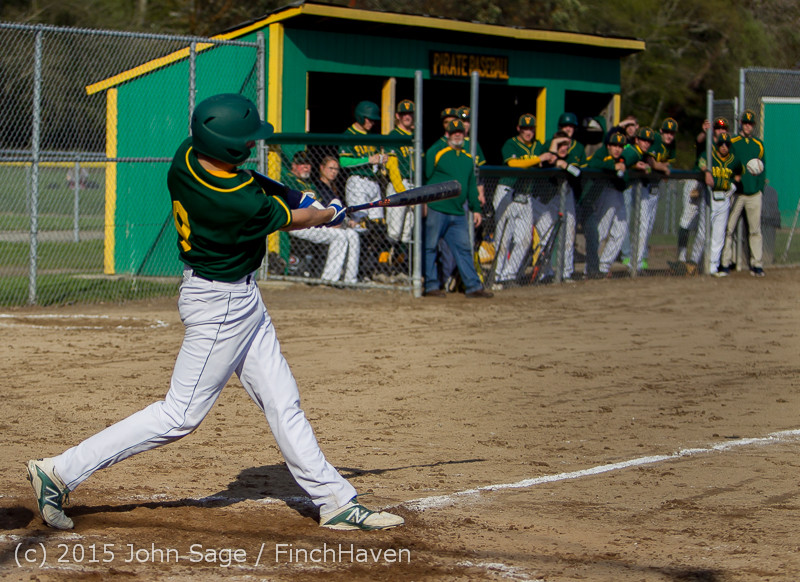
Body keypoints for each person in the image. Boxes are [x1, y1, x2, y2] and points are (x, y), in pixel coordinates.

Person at [26, 93, 403, 532]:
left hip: (238, 298)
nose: (249, 148)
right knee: (179, 415)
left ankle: (334, 499)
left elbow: (257, 181)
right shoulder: (235, 202)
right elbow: (290, 217)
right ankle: (58, 472)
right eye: (243, 143)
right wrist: (325, 212)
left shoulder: (188, 156)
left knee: (283, 400)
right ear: (225, 147)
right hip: (221, 305)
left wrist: (300, 195)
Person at [424, 119, 493, 298]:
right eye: (453, 132)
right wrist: (425, 201)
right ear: (447, 134)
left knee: (463, 248)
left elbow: (471, 187)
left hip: (457, 212)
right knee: (431, 246)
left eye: (460, 132)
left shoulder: (468, 159)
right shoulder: (437, 152)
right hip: (438, 207)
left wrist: (476, 209)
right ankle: (431, 286)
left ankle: (473, 286)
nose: (457, 134)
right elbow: (427, 175)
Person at [491, 113, 557, 287]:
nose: (528, 132)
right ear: (519, 129)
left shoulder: (537, 146)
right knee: (504, 239)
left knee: (525, 239)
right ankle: (497, 276)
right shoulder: (511, 143)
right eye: (525, 128)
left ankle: (509, 275)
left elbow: (550, 156)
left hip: (525, 197)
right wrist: (538, 159)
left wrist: (549, 155)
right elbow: (513, 164)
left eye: (531, 129)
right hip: (507, 192)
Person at [284, 151, 361, 285]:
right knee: (340, 236)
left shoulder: (310, 185)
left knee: (352, 235)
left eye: (308, 164)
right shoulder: (288, 180)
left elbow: (321, 208)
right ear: (294, 166)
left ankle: (350, 280)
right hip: (297, 224)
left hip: (314, 223)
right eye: (302, 164)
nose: (306, 167)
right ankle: (329, 280)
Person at [676, 117, 729, 264]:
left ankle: (694, 261)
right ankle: (681, 257)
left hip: (710, 187)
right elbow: (699, 140)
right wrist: (704, 132)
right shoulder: (707, 141)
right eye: (718, 128)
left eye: (723, 128)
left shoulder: (726, 147)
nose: (720, 131)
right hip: (695, 181)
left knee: (704, 227)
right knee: (687, 220)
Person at [721, 109, 767, 277]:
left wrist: (759, 188)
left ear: (754, 125)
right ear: (741, 124)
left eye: (750, 123)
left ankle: (757, 265)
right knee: (729, 229)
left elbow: (763, 169)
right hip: (737, 194)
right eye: (745, 122)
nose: (748, 126)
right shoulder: (733, 141)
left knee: (755, 230)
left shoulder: (758, 144)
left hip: (754, 194)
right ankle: (725, 263)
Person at [691, 131, 742, 275]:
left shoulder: (733, 159)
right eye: (721, 144)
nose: (724, 147)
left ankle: (713, 266)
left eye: (727, 144)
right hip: (710, 197)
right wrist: (707, 171)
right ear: (717, 144)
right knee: (703, 232)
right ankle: (694, 262)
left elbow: (739, 171)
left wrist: (733, 184)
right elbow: (701, 161)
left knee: (718, 235)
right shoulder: (710, 154)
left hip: (724, 199)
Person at [583, 132, 629, 277]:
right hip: (601, 193)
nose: (617, 148)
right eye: (614, 145)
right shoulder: (602, 153)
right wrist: (613, 165)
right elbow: (593, 164)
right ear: (608, 145)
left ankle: (603, 266)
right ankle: (591, 267)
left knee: (621, 229)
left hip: (617, 193)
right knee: (601, 230)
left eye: (620, 146)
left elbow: (625, 179)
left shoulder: (622, 158)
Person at [338, 100, 386, 224]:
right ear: (360, 117)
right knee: (360, 222)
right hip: (358, 181)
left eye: (373, 120)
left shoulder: (372, 136)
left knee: (377, 222)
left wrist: (381, 160)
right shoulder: (349, 134)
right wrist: (368, 160)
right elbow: (343, 161)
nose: (372, 123)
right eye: (369, 119)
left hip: (374, 182)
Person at [619, 126, 657, 272]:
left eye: (649, 141)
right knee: (619, 226)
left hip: (635, 189)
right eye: (643, 140)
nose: (646, 143)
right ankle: (602, 265)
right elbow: (621, 163)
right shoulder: (633, 151)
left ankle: (636, 263)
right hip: (622, 190)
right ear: (636, 140)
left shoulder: (642, 153)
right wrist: (634, 165)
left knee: (642, 224)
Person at [384, 99, 415, 244]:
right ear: (398, 116)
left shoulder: (416, 137)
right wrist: (403, 192)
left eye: (410, 113)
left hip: (414, 184)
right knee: (394, 230)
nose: (407, 117)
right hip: (399, 185)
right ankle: (387, 264)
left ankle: (401, 264)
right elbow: (392, 166)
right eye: (404, 114)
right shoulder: (394, 135)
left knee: (408, 230)